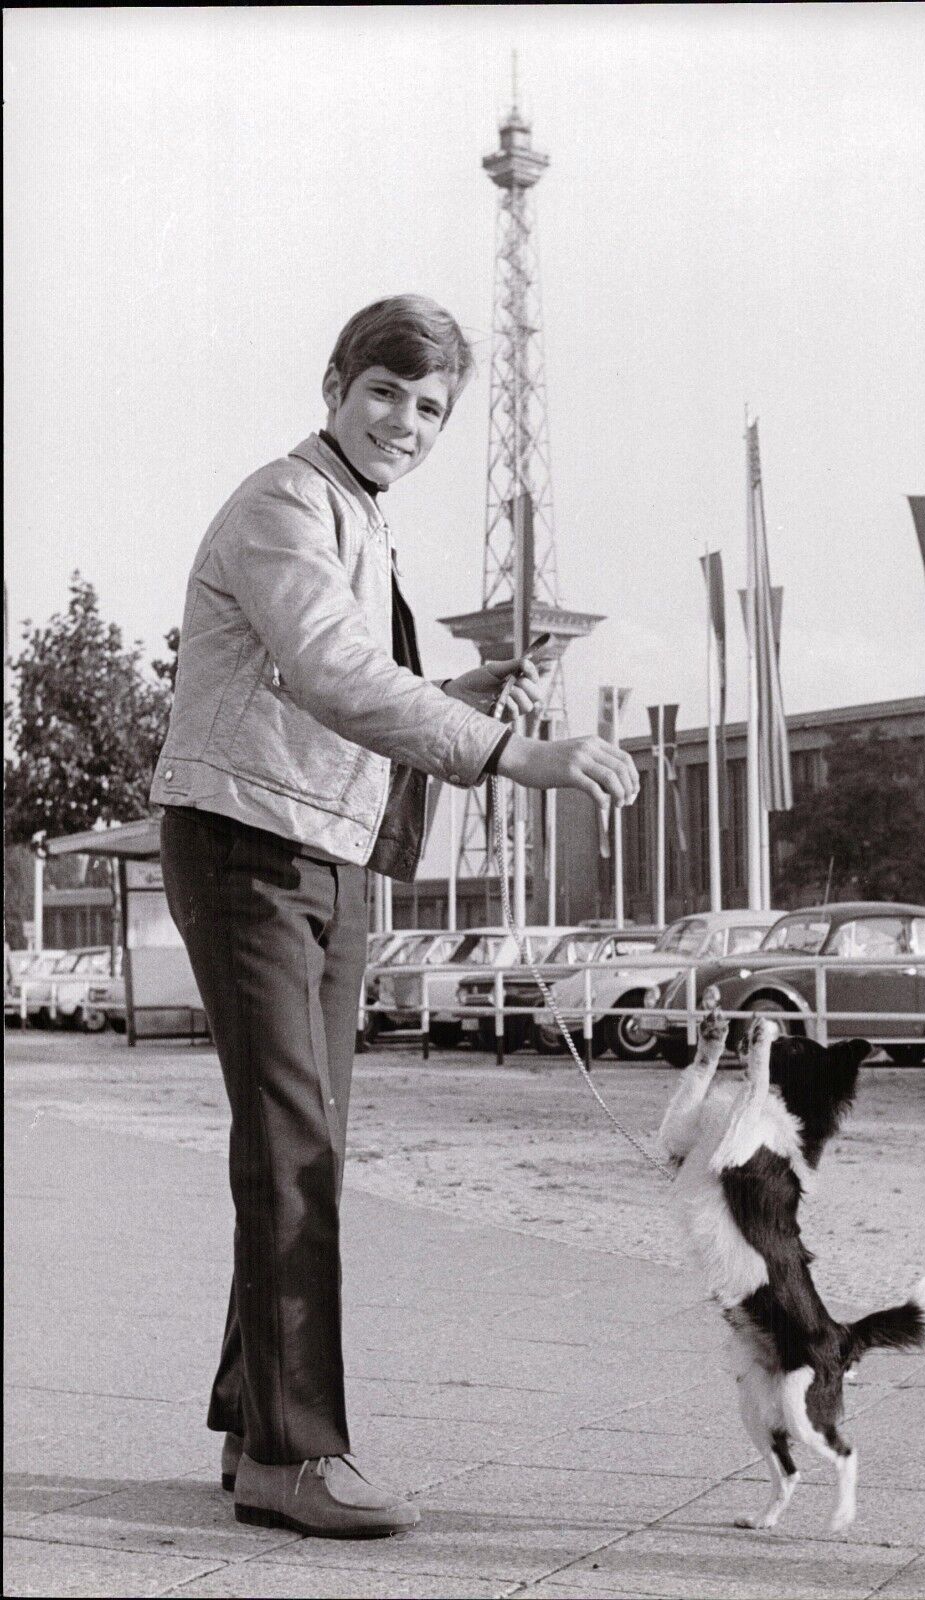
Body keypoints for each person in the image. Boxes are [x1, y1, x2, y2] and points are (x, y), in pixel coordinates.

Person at [152, 295, 638, 1539]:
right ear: (333, 383)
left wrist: (458, 690)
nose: (405, 422)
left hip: (327, 851)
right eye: (386, 391)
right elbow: (325, 668)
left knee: (304, 1147)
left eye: (430, 407)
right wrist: (505, 747)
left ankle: (249, 1419)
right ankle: (294, 1456)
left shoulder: (356, 519)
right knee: (292, 1145)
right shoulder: (282, 503)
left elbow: (347, 683)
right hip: (249, 845)